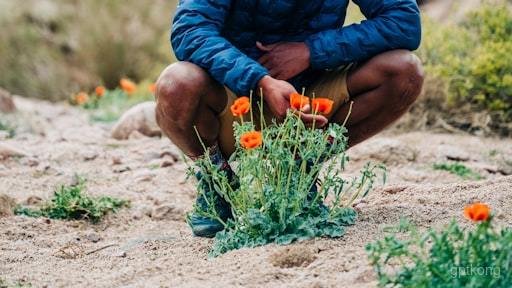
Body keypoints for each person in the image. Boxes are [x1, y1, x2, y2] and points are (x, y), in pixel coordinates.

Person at [155, 0, 424, 237]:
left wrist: (310, 51)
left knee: (404, 71)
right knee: (176, 83)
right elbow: (190, 31)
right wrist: (259, 80)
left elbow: (403, 21)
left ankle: (300, 169)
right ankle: (217, 179)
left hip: (311, 102)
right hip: (234, 100)